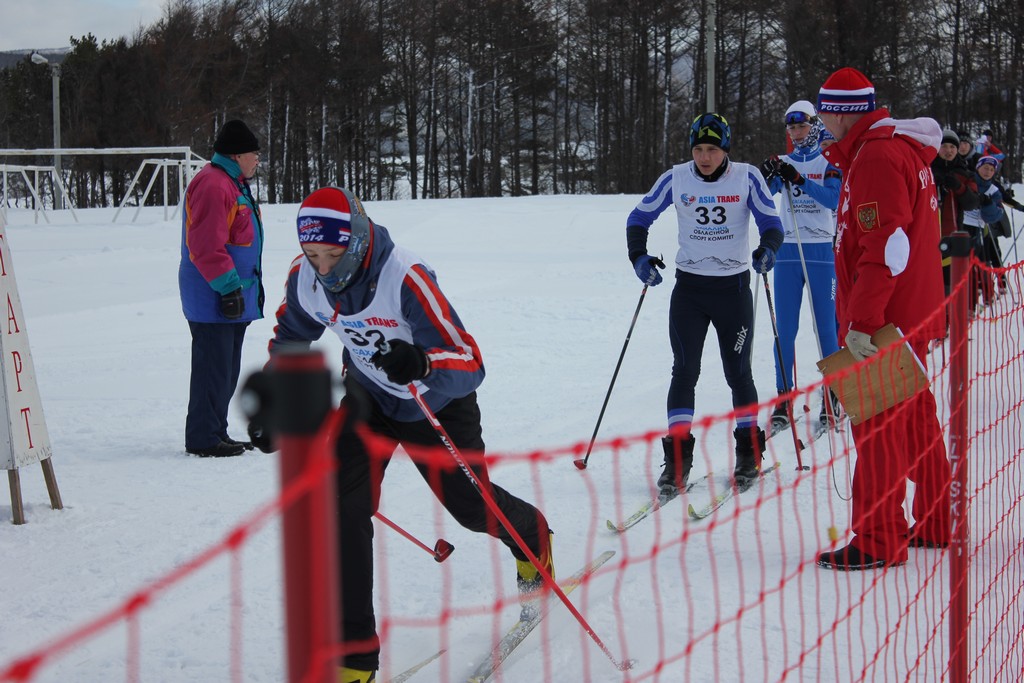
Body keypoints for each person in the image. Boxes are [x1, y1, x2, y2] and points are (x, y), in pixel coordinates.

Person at [248, 187, 553, 683]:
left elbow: (470, 362)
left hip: (436, 405)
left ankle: (533, 538)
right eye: (313, 256)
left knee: (470, 507)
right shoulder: (306, 279)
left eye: (333, 255)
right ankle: (356, 659)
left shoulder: (404, 276)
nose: (324, 269)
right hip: (369, 400)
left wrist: (424, 360)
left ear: (359, 239)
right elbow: (291, 338)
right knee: (339, 507)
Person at [814, 67, 950, 570]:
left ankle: (877, 538)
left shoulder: (874, 157)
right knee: (915, 421)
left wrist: (862, 322)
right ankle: (937, 519)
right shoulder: (891, 150)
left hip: (886, 320)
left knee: (877, 426)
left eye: (826, 109)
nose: (822, 120)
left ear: (844, 112)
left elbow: (887, 247)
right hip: (908, 313)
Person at [625, 112, 784, 495]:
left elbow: (772, 224)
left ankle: (749, 452)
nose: (705, 157)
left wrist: (769, 250)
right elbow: (639, 216)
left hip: (733, 291)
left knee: (738, 373)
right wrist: (639, 257)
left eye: (712, 149)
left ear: (725, 149)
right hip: (690, 292)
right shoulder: (676, 178)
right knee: (684, 371)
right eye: (698, 149)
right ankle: (678, 459)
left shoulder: (746, 176)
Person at [179, 119, 265, 457]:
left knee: (225, 371)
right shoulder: (214, 185)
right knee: (212, 370)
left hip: (231, 296)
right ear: (237, 154)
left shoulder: (232, 183)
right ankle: (203, 436)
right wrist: (228, 289)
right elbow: (204, 245)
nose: (257, 159)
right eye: (254, 153)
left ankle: (216, 431)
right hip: (214, 296)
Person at [759, 100, 842, 433]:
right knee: (785, 330)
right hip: (789, 251)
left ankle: (832, 392)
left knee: (825, 328)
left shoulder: (829, 161)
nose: (796, 133)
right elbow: (765, 197)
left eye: (802, 126)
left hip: (822, 250)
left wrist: (800, 180)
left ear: (814, 126)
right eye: (791, 128)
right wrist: (767, 176)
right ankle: (784, 396)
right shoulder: (785, 162)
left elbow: (832, 200)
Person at [932, 128, 980, 295]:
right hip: (929, 234)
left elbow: (972, 202)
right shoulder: (928, 170)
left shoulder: (965, 173)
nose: (948, 150)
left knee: (949, 282)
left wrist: (958, 187)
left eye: (952, 147)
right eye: (944, 146)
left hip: (953, 234)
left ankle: (949, 317)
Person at [964, 155, 1005, 307]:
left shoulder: (993, 190)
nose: (988, 172)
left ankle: (987, 295)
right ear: (978, 168)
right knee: (962, 263)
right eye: (985, 168)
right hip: (961, 225)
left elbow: (995, 216)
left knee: (981, 262)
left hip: (979, 228)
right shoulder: (969, 181)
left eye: (991, 170)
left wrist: (989, 206)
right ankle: (968, 298)